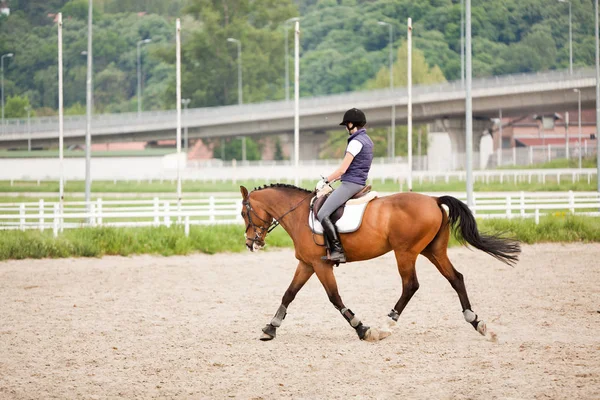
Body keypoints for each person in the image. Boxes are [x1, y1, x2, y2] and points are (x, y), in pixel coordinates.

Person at [315, 108, 374, 263]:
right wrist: (333, 181)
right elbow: (351, 169)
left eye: (346, 125)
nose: (346, 128)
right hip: (358, 181)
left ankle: (337, 251)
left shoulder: (355, 142)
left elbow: (343, 169)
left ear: (351, 124)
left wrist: (325, 180)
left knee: (322, 214)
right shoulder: (367, 140)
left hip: (351, 184)